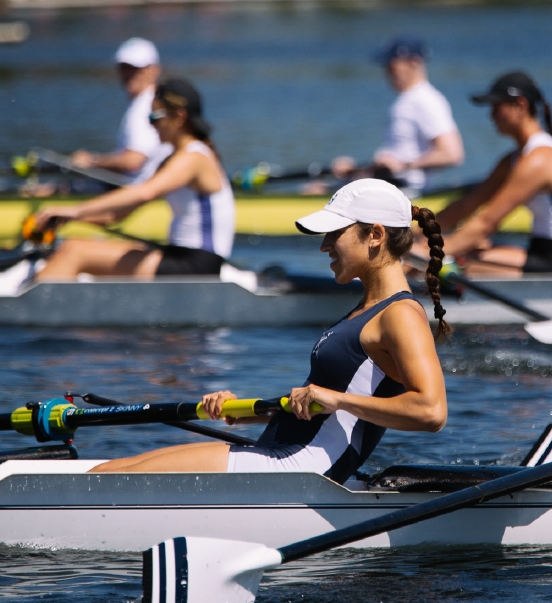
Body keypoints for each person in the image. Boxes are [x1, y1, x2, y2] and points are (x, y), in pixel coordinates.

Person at [92, 179, 449, 479]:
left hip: (302, 468)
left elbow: (431, 411)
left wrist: (337, 399)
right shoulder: (364, 311)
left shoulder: (400, 314)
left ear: (375, 235)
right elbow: (320, 409)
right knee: (117, 467)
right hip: (282, 454)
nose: (324, 245)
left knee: (111, 477)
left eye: (334, 233)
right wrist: (247, 409)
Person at [33, 78, 234, 280]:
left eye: (154, 116)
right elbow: (116, 215)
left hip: (198, 265)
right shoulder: (171, 159)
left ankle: (25, 308)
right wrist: (68, 219)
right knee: (75, 244)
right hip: (177, 255)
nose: (151, 125)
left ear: (179, 117)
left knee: (74, 252)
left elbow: (145, 192)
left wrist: (75, 209)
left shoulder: (194, 157)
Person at [431, 71, 552, 278]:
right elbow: (467, 205)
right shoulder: (514, 159)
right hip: (539, 252)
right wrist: (418, 231)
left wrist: (429, 254)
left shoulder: (541, 159)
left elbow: (486, 222)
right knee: (463, 248)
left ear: (520, 105)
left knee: (456, 261)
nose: (491, 115)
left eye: (497, 107)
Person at [331, 37, 464, 197]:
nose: (387, 72)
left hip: (406, 190)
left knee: (317, 191)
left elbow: (452, 154)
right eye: (385, 67)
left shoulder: (426, 100)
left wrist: (404, 165)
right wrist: (355, 170)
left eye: (392, 66)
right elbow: (394, 158)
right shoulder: (408, 100)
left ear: (414, 62)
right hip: (390, 183)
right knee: (317, 187)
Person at [70, 37, 163, 176]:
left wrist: (91, 161)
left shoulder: (147, 106)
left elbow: (133, 161)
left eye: (135, 68)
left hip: (140, 190)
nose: (128, 74)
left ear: (154, 70)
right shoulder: (148, 101)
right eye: (124, 67)